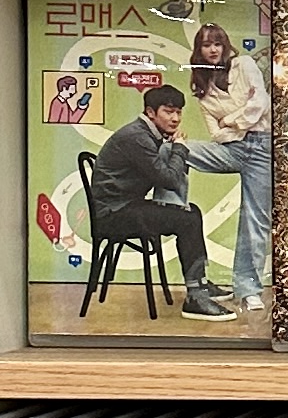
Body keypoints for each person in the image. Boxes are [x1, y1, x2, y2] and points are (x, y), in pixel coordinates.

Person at [83, 82, 239, 317]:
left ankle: (199, 283)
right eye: (168, 111)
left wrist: (171, 146)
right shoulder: (137, 137)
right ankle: (196, 297)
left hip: (125, 207)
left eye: (178, 112)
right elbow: (169, 180)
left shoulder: (146, 134)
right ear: (150, 112)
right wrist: (179, 148)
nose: (175, 118)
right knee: (187, 220)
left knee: (191, 212)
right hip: (115, 214)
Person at [177, 13, 271, 302]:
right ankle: (172, 206)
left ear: (225, 45)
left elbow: (261, 104)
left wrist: (230, 120)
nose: (213, 49)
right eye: (206, 45)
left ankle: (248, 289)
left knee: (255, 220)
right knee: (176, 149)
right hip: (230, 149)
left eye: (217, 43)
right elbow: (216, 135)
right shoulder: (203, 91)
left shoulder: (245, 65)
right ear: (199, 51)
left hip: (261, 148)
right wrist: (238, 125)